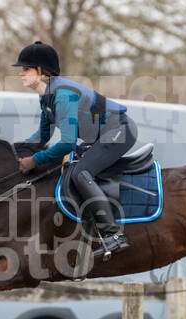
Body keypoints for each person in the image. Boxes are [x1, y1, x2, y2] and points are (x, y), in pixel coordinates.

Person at [12, 40, 137, 258]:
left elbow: (68, 143)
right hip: (102, 135)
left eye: (26, 69)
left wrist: (35, 160)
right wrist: (16, 150)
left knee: (81, 173)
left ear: (42, 72)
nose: (21, 73)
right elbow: (42, 136)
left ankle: (113, 234)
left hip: (121, 130)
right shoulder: (47, 97)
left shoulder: (63, 95)